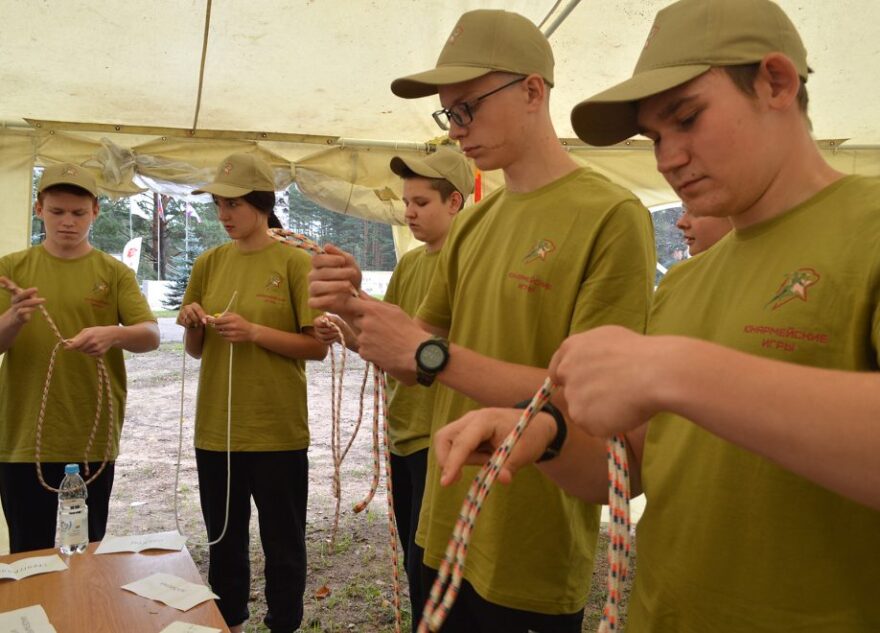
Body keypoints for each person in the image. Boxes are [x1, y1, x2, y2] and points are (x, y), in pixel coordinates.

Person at [434, 0, 880, 631]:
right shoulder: (688, 282)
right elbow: (632, 465)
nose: (668, 157)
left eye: (687, 118)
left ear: (776, 83)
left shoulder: (869, 230)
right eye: (656, 137)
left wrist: (679, 371)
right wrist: (547, 437)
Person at [309, 9, 656, 632]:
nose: (457, 128)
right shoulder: (472, 224)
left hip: (531, 540)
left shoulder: (611, 215)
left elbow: (596, 403)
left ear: (532, 90)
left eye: (468, 106)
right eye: (450, 113)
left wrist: (430, 357)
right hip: (446, 521)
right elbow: (417, 358)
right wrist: (355, 308)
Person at [314, 147, 473, 628]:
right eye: (406, 202)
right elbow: (387, 345)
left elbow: (431, 353)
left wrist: (352, 307)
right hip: (404, 430)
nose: (408, 212)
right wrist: (343, 314)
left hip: (441, 432)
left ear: (455, 202)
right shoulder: (409, 265)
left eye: (421, 203)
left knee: (438, 565)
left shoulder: (471, 262)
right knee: (414, 560)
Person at [178, 153, 327, 633]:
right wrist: (192, 323)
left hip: (277, 430)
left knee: (283, 541)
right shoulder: (209, 261)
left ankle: (284, 623)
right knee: (223, 541)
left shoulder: (293, 262)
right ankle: (231, 623)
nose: (224, 214)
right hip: (216, 431)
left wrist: (255, 332)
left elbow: (316, 348)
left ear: (262, 204)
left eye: (234, 203)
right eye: (219, 203)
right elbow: (195, 351)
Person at [0, 163, 159, 553]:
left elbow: (151, 336)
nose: (67, 222)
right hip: (22, 437)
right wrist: (14, 318)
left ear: (96, 212)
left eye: (78, 213)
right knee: (28, 552)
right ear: (39, 209)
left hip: (91, 433)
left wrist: (113, 334)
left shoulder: (113, 272)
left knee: (88, 550)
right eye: (57, 212)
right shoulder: (12, 270)